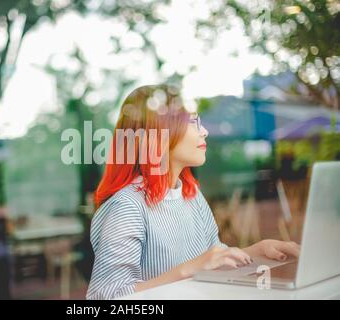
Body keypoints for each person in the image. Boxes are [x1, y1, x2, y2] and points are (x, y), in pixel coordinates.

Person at [86, 84, 300, 300]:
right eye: (193, 122)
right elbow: (107, 296)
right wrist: (189, 269)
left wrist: (259, 253)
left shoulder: (190, 195)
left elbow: (216, 262)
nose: (204, 131)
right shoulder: (127, 206)